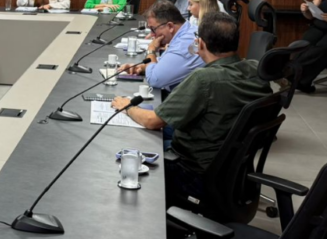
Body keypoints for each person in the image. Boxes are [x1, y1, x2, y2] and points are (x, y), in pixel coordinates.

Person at [111, 12, 272, 205]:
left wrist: (127, 106)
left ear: (200, 43)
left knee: (132, 145)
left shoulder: (203, 79)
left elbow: (152, 121)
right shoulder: (257, 70)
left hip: (192, 173)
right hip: (231, 171)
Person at [118, 1, 204, 92]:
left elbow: (154, 80)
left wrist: (151, 50)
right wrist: (141, 67)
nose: (152, 35)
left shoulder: (183, 45)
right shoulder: (188, 31)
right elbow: (167, 62)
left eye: (153, 29)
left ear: (170, 26)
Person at [297, 0, 327, 93]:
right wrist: (306, 11)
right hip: (319, 26)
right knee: (304, 44)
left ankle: (301, 80)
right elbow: (311, 16)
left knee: (321, 50)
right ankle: (295, 75)